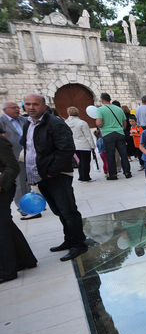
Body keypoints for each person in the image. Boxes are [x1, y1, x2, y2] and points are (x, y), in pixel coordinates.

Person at [22, 94, 88, 261]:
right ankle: (69, 240)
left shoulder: (55, 123)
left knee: (68, 211)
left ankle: (79, 244)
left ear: (44, 106)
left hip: (57, 175)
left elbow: (66, 149)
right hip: (41, 175)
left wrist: (52, 171)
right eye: (28, 104)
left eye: (35, 104)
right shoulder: (28, 124)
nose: (31, 107)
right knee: (59, 211)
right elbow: (30, 149)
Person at [0, 131, 37, 283]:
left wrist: (1, 182)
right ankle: (25, 259)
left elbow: (13, 167)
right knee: (6, 224)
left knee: (2, 227)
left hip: (3, 189)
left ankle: (8, 271)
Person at [0, 102, 31, 218]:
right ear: (5, 109)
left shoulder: (23, 120)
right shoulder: (1, 122)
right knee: (19, 184)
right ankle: (22, 207)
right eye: (14, 108)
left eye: (18, 107)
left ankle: (31, 203)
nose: (17, 109)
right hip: (13, 158)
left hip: (29, 155)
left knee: (29, 182)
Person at [95, 92, 132, 180]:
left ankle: (113, 174)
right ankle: (127, 172)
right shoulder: (119, 109)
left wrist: (100, 124)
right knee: (123, 154)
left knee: (110, 155)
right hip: (119, 133)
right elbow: (124, 122)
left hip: (108, 134)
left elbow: (99, 123)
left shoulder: (100, 109)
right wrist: (121, 129)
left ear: (102, 99)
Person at [65, 106, 95, 182]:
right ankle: (86, 177)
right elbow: (88, 135)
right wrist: (92, 145)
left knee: (79, 162)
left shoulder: (66, 123)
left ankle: (81, 176)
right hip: (84, 145)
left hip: (74, 145)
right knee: (86, 162)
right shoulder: (82, 123)